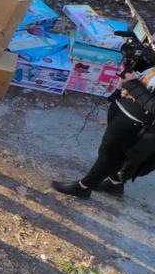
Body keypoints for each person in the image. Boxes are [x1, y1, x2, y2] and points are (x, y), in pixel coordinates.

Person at [52, 40, 155, 199]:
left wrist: (132, 84)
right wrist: (139, 56)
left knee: (109, 155)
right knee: (114, 154)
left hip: (135, 123)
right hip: (124, 108)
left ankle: (83, 187)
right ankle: (114, 184)